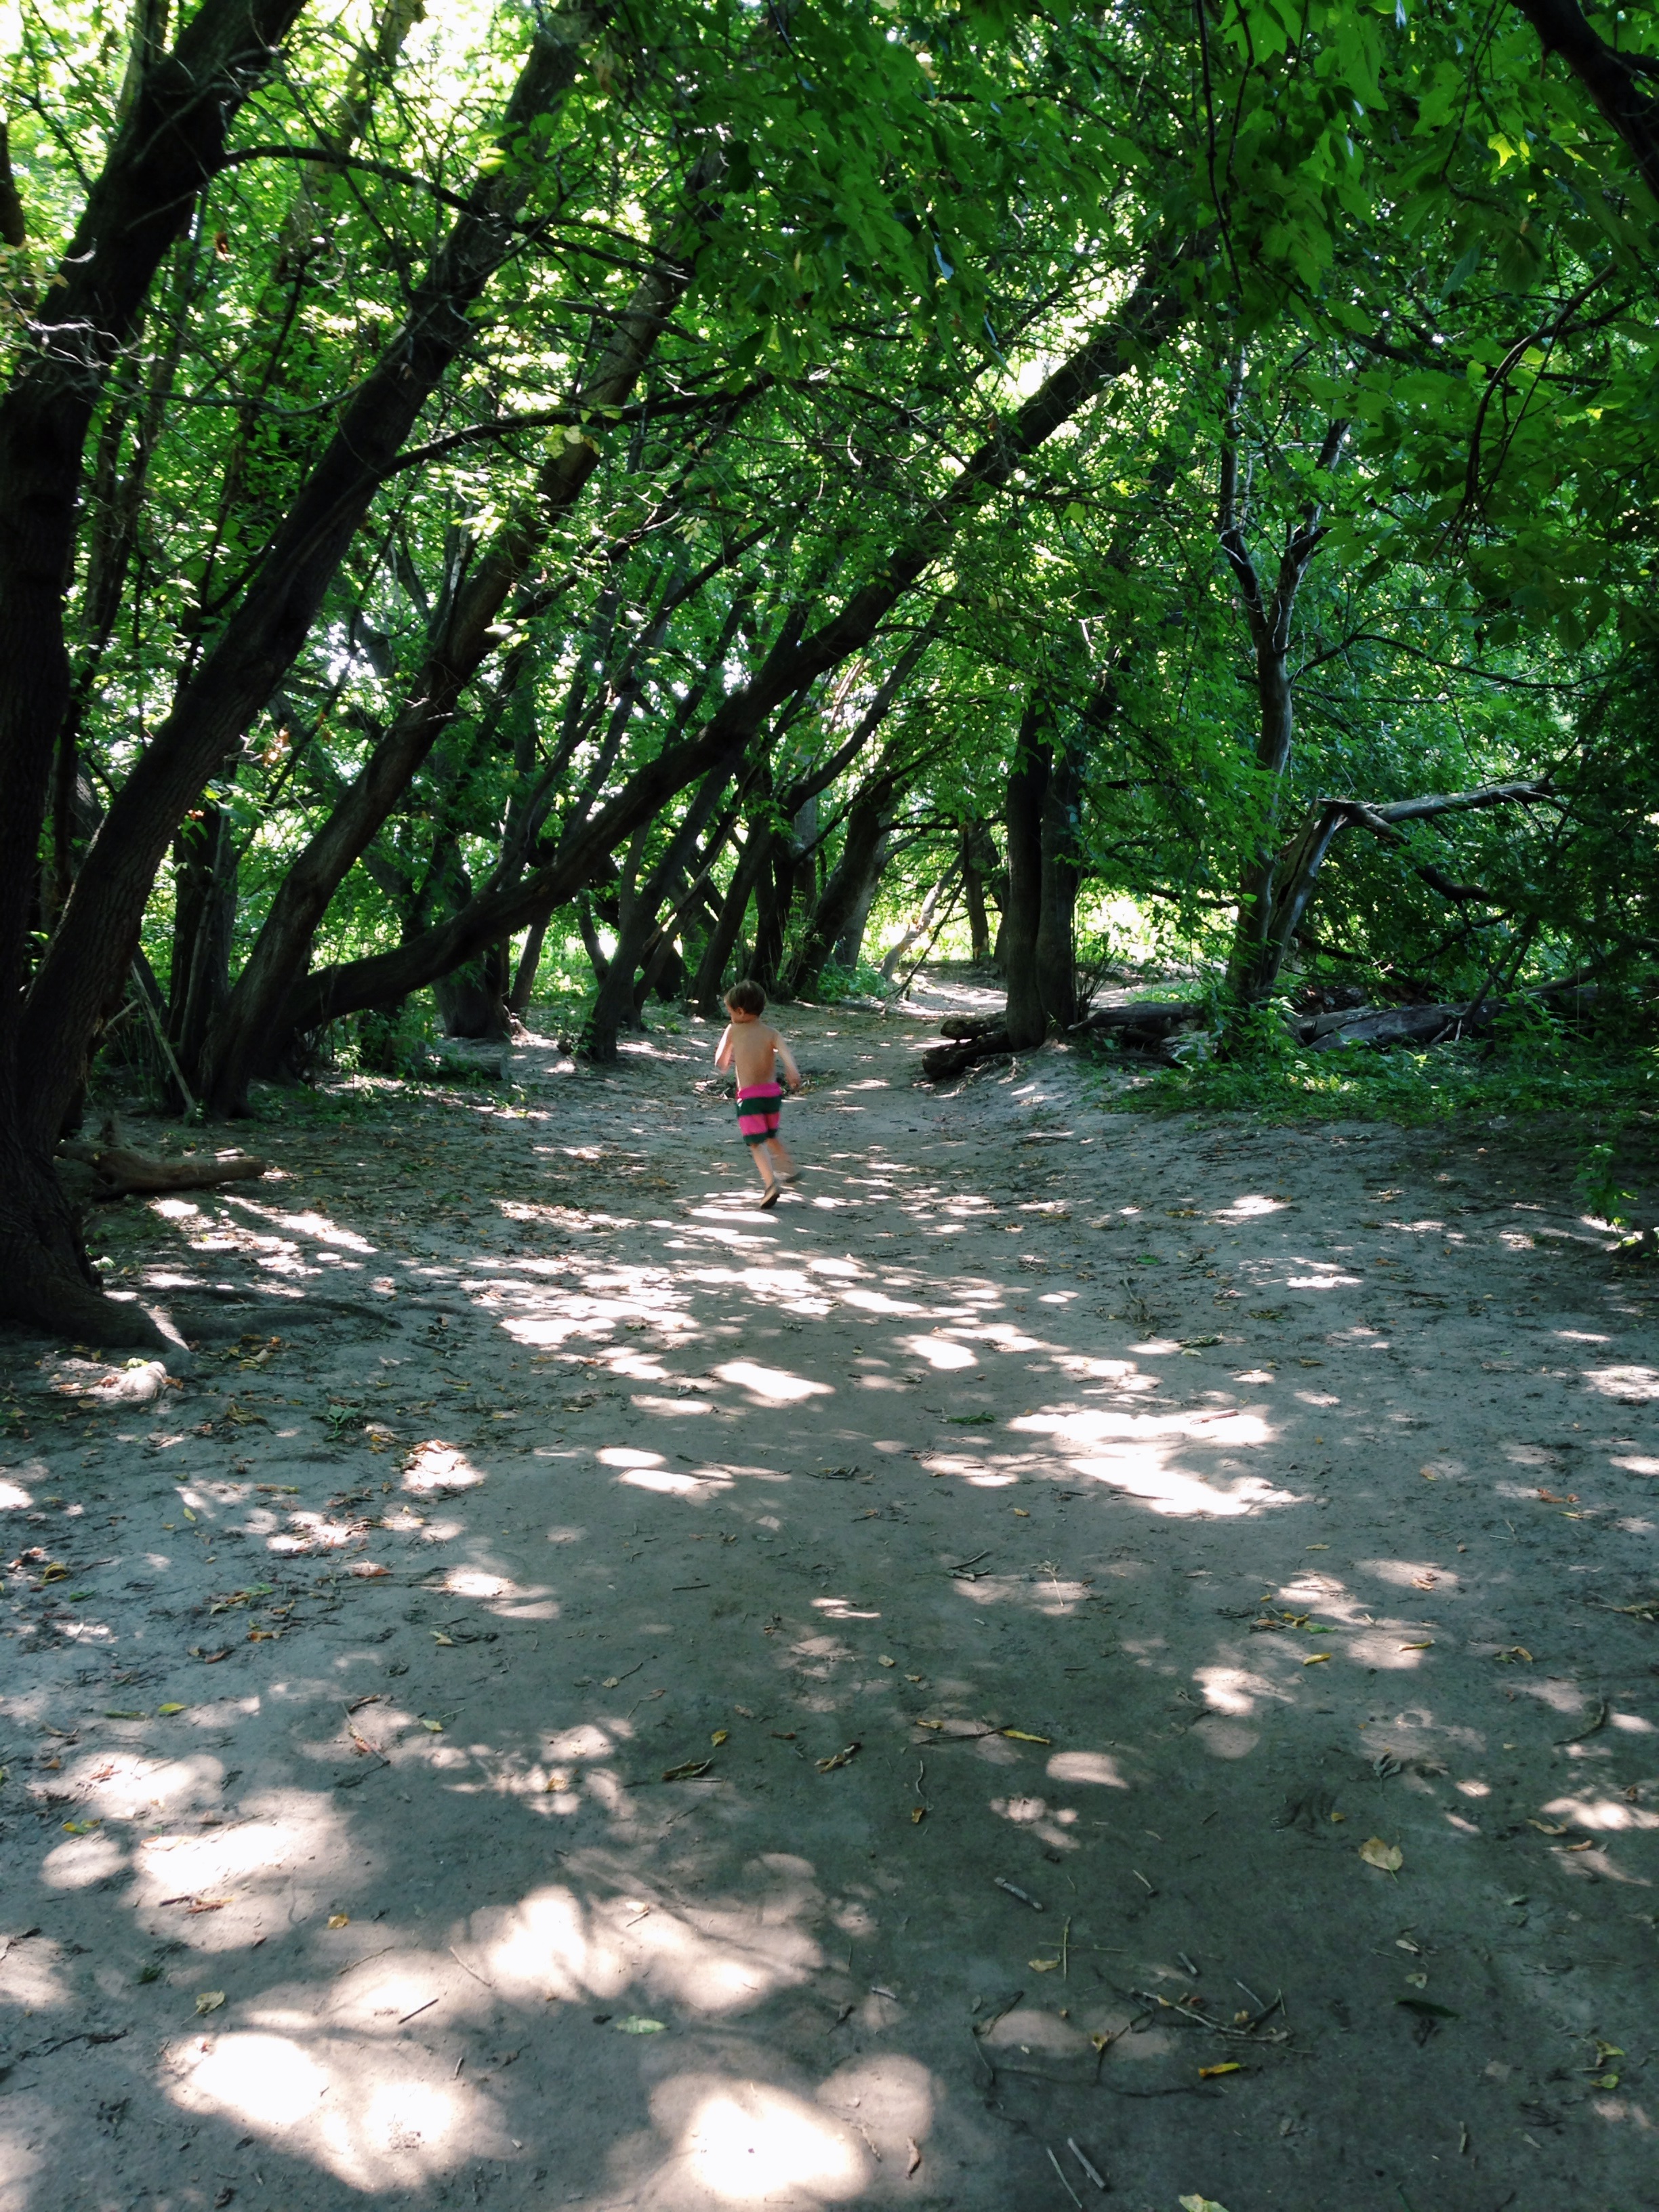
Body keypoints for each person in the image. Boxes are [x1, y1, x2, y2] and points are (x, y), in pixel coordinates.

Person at [714, 981, 801, 1208]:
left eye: (730, 1011)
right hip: (772, 1095)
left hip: (749, 1097)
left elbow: (720, 1061)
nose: (730, 1016)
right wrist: (792, 1072)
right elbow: (787, 1056)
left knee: (756, 1143)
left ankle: (771, 1183)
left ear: (740, 1011)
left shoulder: (733, 1030)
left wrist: (727, 1061)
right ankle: (789, 1166)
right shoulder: (772, 1033)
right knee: (770, 1135)